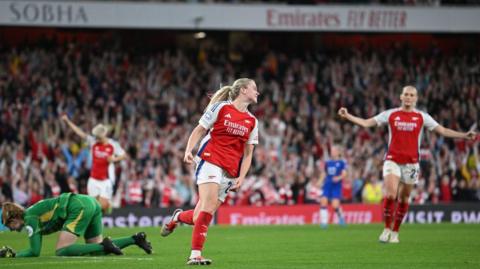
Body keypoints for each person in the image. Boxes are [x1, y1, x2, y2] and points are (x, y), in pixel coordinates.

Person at [338, 85, 476, 243]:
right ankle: (386, 229)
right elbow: (367, 123)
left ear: (416, 98)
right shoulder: (391, 114)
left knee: (404, 199)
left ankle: (395, 232)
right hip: (392, 160)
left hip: (411, 164)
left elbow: (443, 131)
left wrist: (464, 135)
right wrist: (348, 116)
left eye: (412, 95)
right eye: (406, 94)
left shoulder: (422, 117)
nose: (409, 97)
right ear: (401, 97)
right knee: (391, 194)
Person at [161, 78, 259, 265]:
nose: (257, 92)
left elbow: (248, 154)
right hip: (210, 159)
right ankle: (195, 255)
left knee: (200, 216)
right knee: (208, 206)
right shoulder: (221, 108)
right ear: (244, 90)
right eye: (254, 88)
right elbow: (200, 129)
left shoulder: (253, 121)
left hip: (230, 171)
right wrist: (188, 149)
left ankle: (177, 217)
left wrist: (242, 176)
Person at [0, 193, 152, 258]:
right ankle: (135, 239)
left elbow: (34, 251)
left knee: (61, 251)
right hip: (89, 202)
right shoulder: (31, 214)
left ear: (13, 219)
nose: (12, 229)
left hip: (78, 206)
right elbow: (37, 244)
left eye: (10, 225)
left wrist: (14, 255)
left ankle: (105, 245)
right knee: (96, 251)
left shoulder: (29, 218)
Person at [61, 115, 127, 212]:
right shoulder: (93, 142)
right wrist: (67, 122)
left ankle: (107, 206)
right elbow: (80, 133)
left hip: (106, 180)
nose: (96, 138)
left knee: (103, 206)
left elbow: (124, 155)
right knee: (93, 207)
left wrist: (114, 159)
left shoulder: (113, 144)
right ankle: (96, 223)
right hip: (93, 179)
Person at [319, 145, 347, 228]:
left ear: (338, 152)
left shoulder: (342, 162)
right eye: (331, 151)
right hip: (328, 184)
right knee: (323, 201)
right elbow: (324, 173)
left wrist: (338, 178)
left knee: (335, 205)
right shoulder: (328, 162)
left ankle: (341, 217)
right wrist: (320, 181)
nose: (332, 152)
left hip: (336, 185)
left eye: (334, 151)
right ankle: (324, 222)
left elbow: (344, 174)